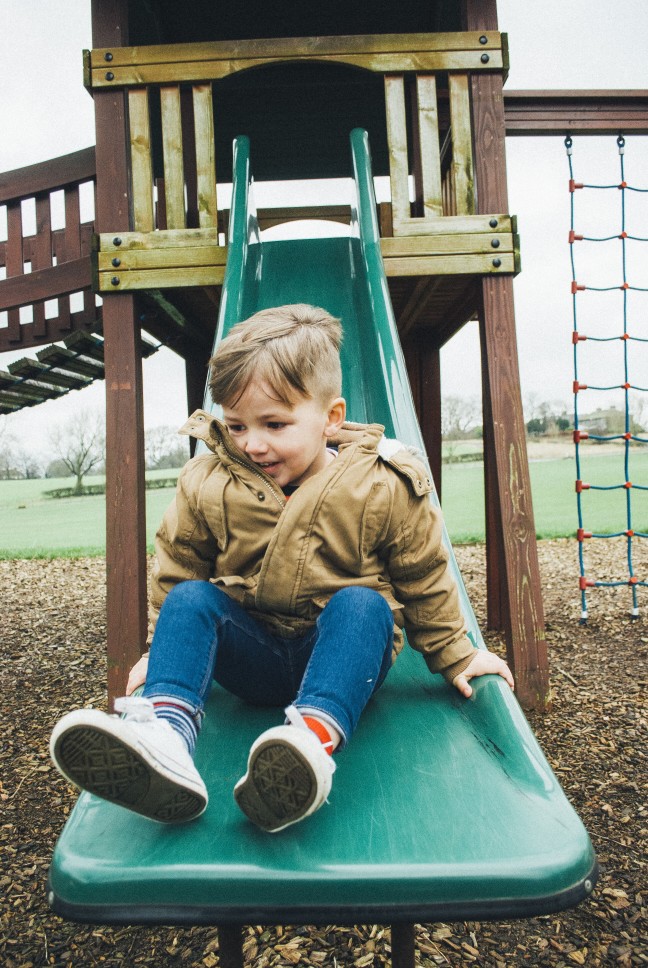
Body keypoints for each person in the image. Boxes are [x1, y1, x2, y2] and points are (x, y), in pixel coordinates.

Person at [50, 304, 514, 833]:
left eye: (275, 424)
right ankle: (166, 741)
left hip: (342, 656)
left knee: (364, 606)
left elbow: (423, 575)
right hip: (255, 657)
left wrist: (457, 653)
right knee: (190, 598)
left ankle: (306, 745)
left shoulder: (381, 482)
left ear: (331, 418)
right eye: (237, 424)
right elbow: (180, 567)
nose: (253, 443)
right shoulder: (208, 480)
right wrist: (163, 653)